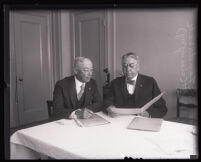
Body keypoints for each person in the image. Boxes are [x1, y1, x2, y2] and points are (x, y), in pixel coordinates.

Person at [103, 52, 167, 118]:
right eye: (125, 66)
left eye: (131, 65)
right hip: (120, 121)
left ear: (138, 67)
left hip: (144, 122)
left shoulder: (150, 82)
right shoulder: (115, 83)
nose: (128, 69)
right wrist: (109, 108)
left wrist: (149, 115)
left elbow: (162, 108)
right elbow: (107, 102)